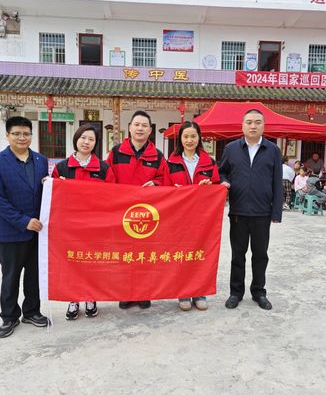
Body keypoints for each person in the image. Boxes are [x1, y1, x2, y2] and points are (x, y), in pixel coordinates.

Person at [0, 116, 50, 338]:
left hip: (38, 231)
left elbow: (47, 193)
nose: (22, 138)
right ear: (8, 136)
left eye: (26, 134)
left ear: (31, 135)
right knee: (10, 276)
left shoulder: (41, 160)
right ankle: (9, 316)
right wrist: (23, 221)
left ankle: (32, 311)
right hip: (11, 232)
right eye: (16, 134)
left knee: (34, 275)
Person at [218, 109, 283, 311]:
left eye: (257, 122)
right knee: (238, 255)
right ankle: (236, 292)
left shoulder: (272, 150)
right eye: (249, 122)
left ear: (263, 125)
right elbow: (221, 171)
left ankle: (259, 292)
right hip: (238, 211)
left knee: (260, 255)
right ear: (242, 125)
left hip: (262, 212)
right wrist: (224, 182)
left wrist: (276, 212)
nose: (253, 126)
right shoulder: (231, 149)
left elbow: (277, 182)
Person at [51, 124, 115, 320]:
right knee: (72, 262)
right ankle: (73, 299)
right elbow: (53, 198)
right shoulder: (62, 168)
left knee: (92, 262)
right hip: (70, 227)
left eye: (91, 139)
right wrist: (51, 185)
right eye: (83, 138)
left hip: (95, 227)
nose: (86, 142)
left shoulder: (104, 169)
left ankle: (91, 297)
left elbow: (113, 196)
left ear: (96, 144)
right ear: (76, 139)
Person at [107, 110, 170, 309]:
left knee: (145, 255)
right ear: (130, 128)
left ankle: (143, 293)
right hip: (122, 213)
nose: (140, 128)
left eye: (144, 125)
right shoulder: (116, 152)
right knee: (124, 255)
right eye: (136, 124)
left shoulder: (157, 156)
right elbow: (108, 179)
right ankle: (126, 293)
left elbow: (164, 180)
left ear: (150, 130)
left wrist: (155, 184)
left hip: (147, 214)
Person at [167, 121, 220, 312]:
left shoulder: (209, 162)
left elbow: (217, 186)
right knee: (181, 254)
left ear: (199, 138)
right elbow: (164, 187)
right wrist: (174, 191)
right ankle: (183, 293)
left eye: (193, 136)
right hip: (179, 217)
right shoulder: (171, 162)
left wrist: (209, 187)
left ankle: (200, 293)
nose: (189, 140)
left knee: (201, 253)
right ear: (180, 139)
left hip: (203, 217)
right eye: (186, 136)